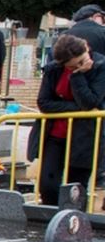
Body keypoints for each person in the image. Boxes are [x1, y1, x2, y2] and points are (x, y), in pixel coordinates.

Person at [34, 34, 105, 205]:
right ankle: (50, 219)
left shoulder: (100, 66)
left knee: (76, 189)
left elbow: (90, 102)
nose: (80, 66)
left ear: (87, 48)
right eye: (73, 67)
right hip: (56, 134)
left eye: (82, 61)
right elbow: (44, 102)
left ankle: (75, 223)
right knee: (48, 185)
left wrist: (77, 76)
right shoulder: (53, 70)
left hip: (84, 136)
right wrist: (74, 107)